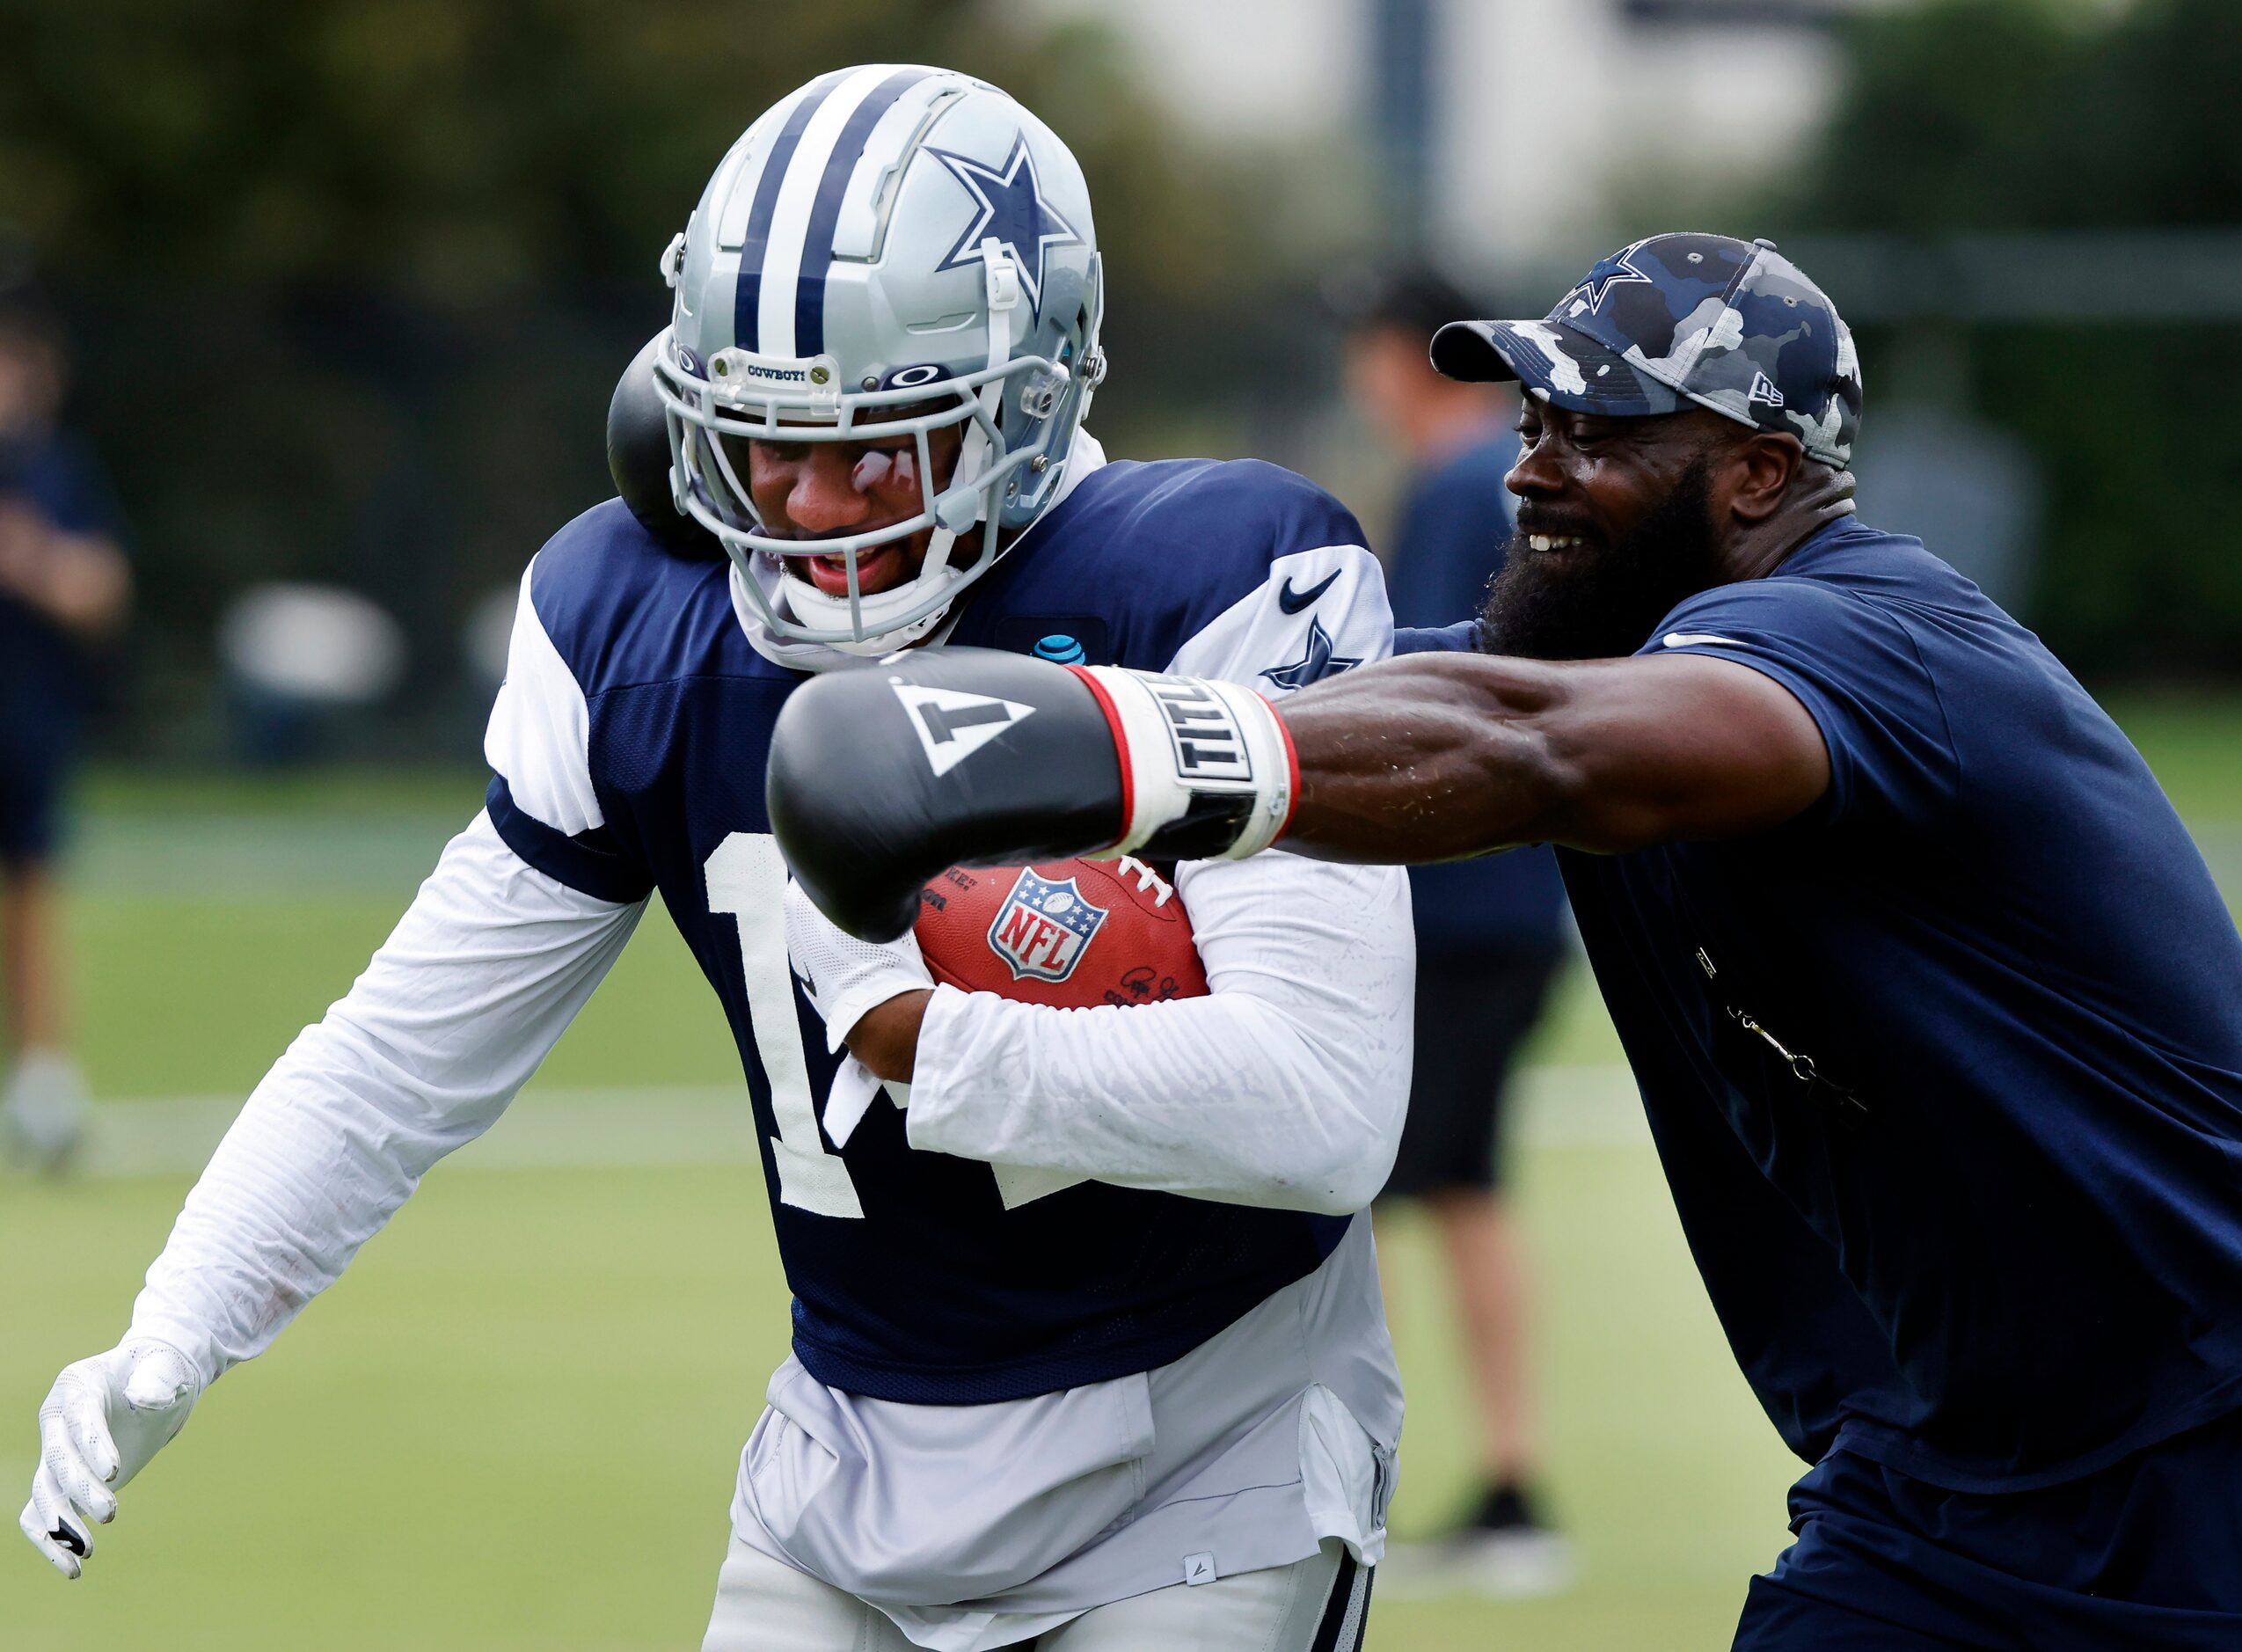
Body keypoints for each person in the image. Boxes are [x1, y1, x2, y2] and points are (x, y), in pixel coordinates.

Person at [22, 67, 1415, 1652]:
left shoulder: (1206, 584)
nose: (812, 508)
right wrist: (174, 1329)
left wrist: (930, 1039)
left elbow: (1324, 1104)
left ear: (1023, 401)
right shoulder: (640, 621)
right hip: (842, 1465)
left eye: (881, 450)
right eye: (766, 446)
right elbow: (395, 1062)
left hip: (1198, 1453)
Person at [766, 233, 2242, 1648]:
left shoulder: (1868, 641)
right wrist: (839, 501)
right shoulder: (1586, 661)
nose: (1533, 473)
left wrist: (1103, 748)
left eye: (1600, 435)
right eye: (1530, 428)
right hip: (1933, 1483)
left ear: (1760, 473)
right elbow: (1304, 658)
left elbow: (1541, 749)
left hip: (2232, 1453)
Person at [1338, 267, 1571, 1590]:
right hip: (1513, 905)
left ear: (1398, 355)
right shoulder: (1505, 473)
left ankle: (1473, 1483)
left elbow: (1418, 696)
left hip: (1457, 912)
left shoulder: (1454, 481)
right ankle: (1501, 1484)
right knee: (1458, 1184)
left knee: (1358, 1189)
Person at [0, 294, 131, 1173]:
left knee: (32, 896)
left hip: (27, 722)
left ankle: (45, 1083)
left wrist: (34, 562)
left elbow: (104, 588)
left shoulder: (59, 473)